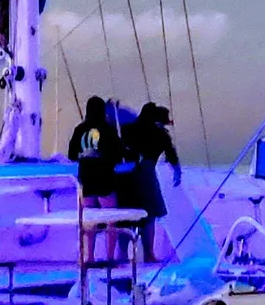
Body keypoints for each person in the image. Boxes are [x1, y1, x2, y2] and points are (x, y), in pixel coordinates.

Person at [120, 102, 183, 262]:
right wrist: (177, 172)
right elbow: (171, 155)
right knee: (149, 216)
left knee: (125, 216)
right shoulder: (160, 134)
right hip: (147, 176)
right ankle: (148, 253)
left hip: (125, 177)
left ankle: (121, 255)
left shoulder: (127, 129)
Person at [69, 96, 127, 263]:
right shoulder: (108, 130)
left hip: (86, 180)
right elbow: (118, 154)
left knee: (89, 221)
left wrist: (86, 156)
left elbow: (72, 155)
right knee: (110, 220)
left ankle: (89, 258)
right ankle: (109, 258)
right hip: (105, 179)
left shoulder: (79, 130)